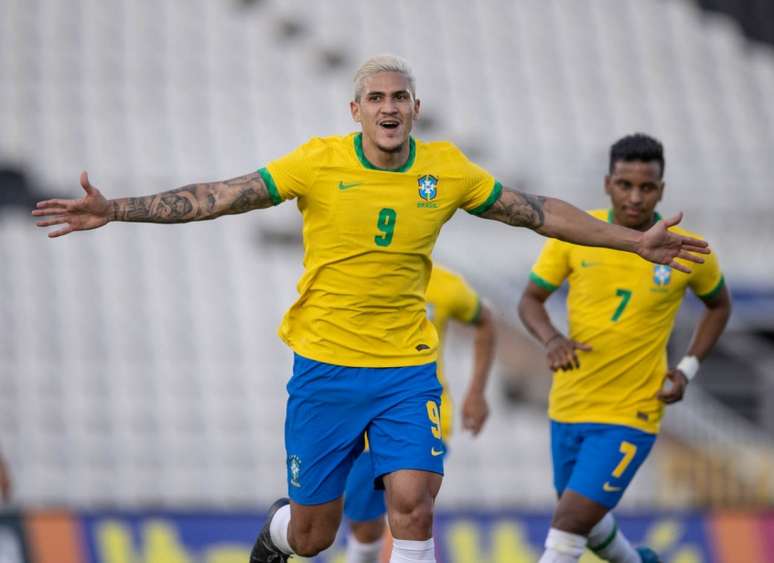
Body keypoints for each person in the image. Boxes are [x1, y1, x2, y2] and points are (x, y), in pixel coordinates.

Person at [32, 56, 710, 563]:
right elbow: (217, 195)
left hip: (406, 370)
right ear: (354, 110)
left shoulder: (445, 170)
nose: (388, 106)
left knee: (413, 504)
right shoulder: (317, 163)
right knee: (311, 533)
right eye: (375, 97)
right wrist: (115, 208)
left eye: (400, 97)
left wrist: (632, 239)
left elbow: (538, 212)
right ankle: (277, 534)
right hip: (325, 368)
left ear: (416, 108)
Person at [517, 133, 731, 563]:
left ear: (662, 190)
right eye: (624, 184)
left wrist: (686, 368)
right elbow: (529, 301)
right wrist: (553, 338)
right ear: (607, 183)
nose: (635, 197)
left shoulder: (686, 250)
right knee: (586, 521)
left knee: (570, 522)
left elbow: (719, 307)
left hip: (632, 411)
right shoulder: (575, 235)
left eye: (647, 187)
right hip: (570, 404)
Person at [343, 264, 496, 563]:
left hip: (424, 413)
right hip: (364, 416)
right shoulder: (362, 272)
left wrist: (477, 391)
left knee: (410, 511)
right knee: (364, 525)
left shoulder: (446, 285)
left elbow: (485, 321)